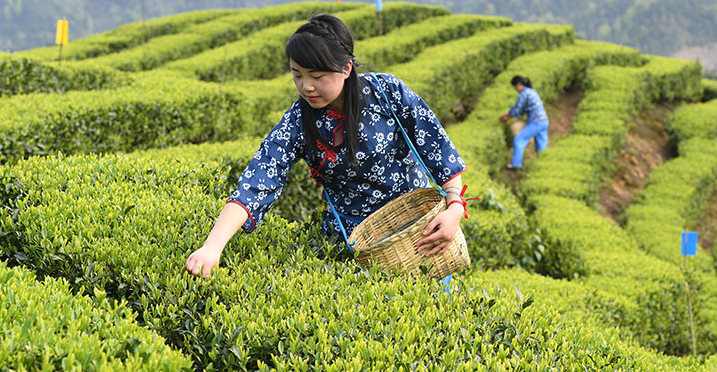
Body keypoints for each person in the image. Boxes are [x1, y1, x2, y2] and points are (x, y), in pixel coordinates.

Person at [185, 14, 469, 278]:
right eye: (297, 74)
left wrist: (454, 206)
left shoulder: (387, 93)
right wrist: (212, 247)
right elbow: (259, 181)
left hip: (420, 231)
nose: (306, 86)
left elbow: (437, 148)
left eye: (317, 76)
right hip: (355, 247)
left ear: (346, 68)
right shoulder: (298, 121)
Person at [498, 75, 549, 170]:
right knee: (541, 146)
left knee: (519, 139)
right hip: (544, 121)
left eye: (515, 87)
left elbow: (518, 109)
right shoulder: (531, 91)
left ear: (519, 84)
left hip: (536, 121)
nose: (515, 89)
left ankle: (516, 164)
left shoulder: (524, 93)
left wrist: (507, 116)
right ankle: (543, 166)